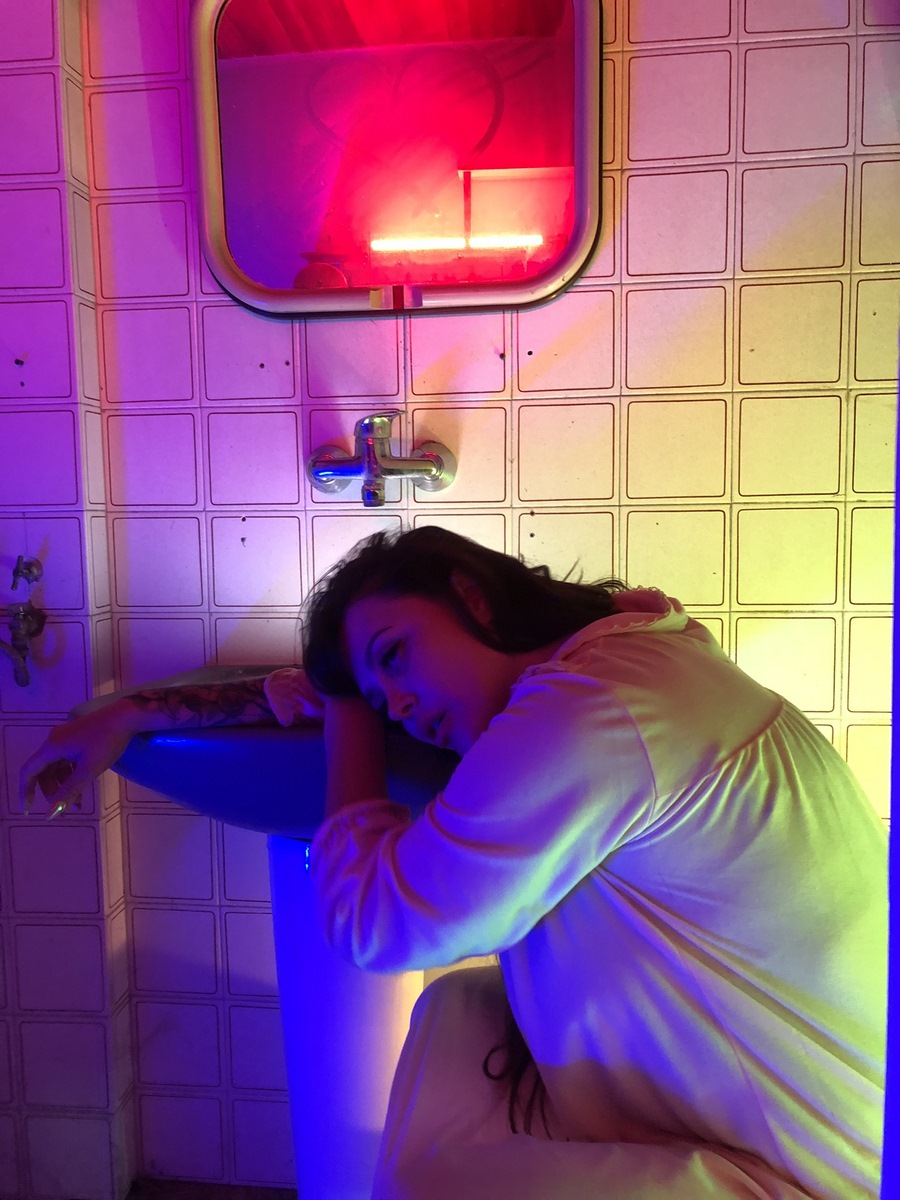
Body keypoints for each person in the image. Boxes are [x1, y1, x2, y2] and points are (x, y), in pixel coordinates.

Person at [21, 526, 886, 1200]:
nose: (395, 703)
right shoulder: (634, 655)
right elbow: (312, 689)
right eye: (376, 689)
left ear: (470, 595)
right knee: (461, 1015)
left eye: (395, 656)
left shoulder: (597, 709)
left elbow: (379, 926)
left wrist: (350, 710)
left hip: (789, 1171)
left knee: (432, 1171)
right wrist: (131, 712)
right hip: (722, 1117)